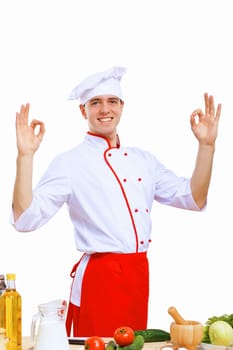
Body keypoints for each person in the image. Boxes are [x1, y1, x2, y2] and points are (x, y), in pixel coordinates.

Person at [11, 66, 221, 337]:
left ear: (122, 106)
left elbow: (194, 197)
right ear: (83, 111)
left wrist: (207, 146)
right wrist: (25, 156)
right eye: (95, 103)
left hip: (138, 275)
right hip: (100, 280)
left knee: (132, 344)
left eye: (112, 101)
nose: (104, 109)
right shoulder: (69, 163)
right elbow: (25, 218)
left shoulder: (143, 160)